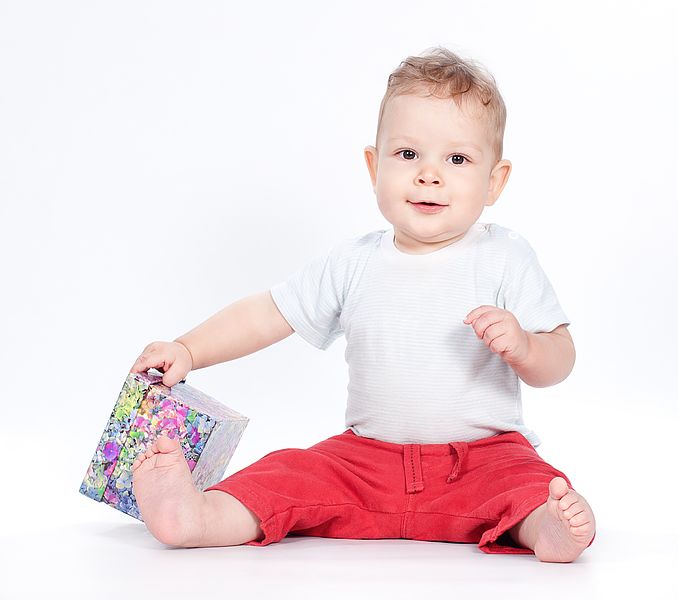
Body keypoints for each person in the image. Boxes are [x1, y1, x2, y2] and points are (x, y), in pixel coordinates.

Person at [129, 47, 595, 562]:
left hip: (482, 459)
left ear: (495, 181)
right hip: (365, 461)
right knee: (290, 472)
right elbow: (268, 313)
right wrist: (189, 350)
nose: (429, 175)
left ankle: (545, 528)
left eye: (457, 159)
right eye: (408, 154)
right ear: (374, 166)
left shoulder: (504, 256)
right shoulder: (354, 262)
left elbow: (561, 357)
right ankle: (197, 516)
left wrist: (526, 346)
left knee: (530, 481)